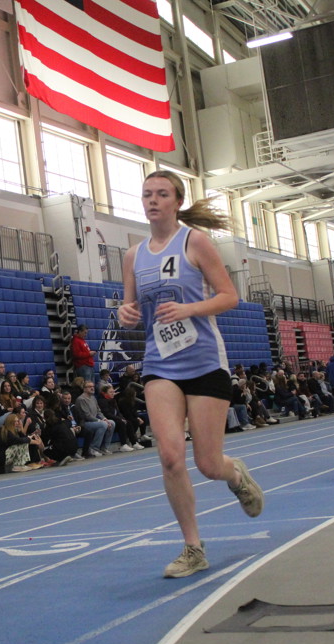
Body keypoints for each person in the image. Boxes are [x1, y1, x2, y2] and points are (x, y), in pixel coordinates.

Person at [117, 170, 264, 579]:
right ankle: (193, 548)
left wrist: (189, 309)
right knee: (169, 456)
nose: (153, 200)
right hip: (159, 364)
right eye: (147, 194)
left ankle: (235, 474)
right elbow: (131, 310)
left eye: (162, 194)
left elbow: (229, 296)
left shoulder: (194, 242)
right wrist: (125, 313)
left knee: (208, 464)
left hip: (203, 362)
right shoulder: (133, 256)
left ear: (177, 201)